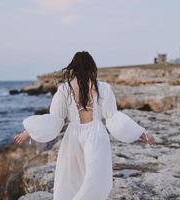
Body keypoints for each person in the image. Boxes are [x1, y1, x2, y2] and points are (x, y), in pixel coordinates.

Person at [13, 51, 156, 200]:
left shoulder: (65, 89)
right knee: (95, 179)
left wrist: (28, 132)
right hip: (96, 134)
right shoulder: (103, 88)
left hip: (73, 136)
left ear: (73, 67)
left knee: (72, 180)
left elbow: (54, 120)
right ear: (92, 67)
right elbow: (113, 118)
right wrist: (141, 133)